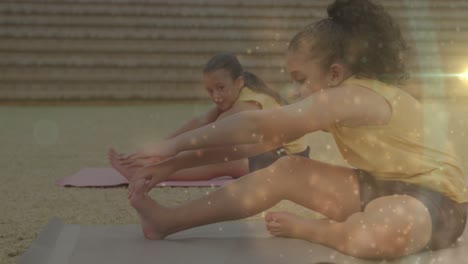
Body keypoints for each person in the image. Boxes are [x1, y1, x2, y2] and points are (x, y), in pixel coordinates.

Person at [122, 0, 467, 259]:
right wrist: (175, 164)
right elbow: (252, 145)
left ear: (334, 73)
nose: (296, 91)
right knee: (286, 169)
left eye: (301, 80)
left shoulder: (354, 95)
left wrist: (173, 145)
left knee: (387, 230)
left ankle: (321, 231)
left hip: (439, 203)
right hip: (378, 189)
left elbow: (256, 125)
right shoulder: (339, 96)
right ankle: (167, 221)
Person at [109, 53, 309, 181]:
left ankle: (147, 174)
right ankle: (149, 169)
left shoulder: (250, 102)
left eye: (220, 88)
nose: (216, 96)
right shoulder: (238, 95)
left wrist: (165, 156)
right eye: (210, 91)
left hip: (291, 162)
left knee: (225, 159)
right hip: (272, 154)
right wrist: (163, 145)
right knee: (222, 152)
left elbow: (212, 135)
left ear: (239, 82)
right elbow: (201, 122)